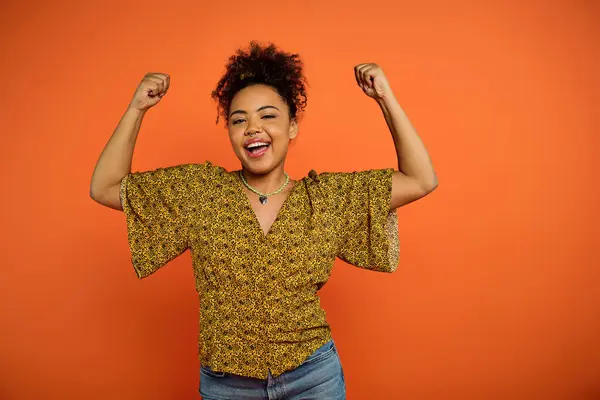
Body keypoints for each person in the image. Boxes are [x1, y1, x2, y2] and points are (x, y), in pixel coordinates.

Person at [90, 41, 437, 399]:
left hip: (313, 377)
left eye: (268, 115)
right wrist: (137, 108)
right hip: (227, 385)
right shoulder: (199, 191)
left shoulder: (329, 198)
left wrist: (385, 98)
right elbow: (105, 187)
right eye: (239, 120)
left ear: (292, 127)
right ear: (230, 133)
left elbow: (420, 179)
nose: (253, 127)